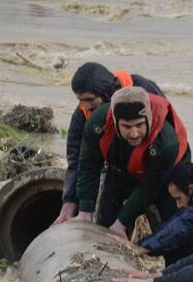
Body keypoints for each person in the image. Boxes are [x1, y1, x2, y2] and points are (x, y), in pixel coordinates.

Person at [72, 86, 193, 265]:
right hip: (123, 168)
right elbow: (88, 165)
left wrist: (123, 221)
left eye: (139, 125)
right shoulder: (98, 124)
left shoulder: (166, 141)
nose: (134, 133)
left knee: (176, 234)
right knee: (107, 227)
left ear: (148, 119)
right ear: (115, 123)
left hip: (168, 173)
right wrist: (84, 209)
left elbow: (149, 187)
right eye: (127, 127)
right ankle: (109, 270)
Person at [54, 63, 164, 225]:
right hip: (119, 167)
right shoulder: (83, 114)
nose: (86, 106)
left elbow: (164, 132)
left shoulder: (143, 90)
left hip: (157, 163)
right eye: (81, 100)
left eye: (90, 99)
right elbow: (76, 159)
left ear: (106, 91)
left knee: (168, 220)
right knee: (107, 221)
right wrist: (69, 202)